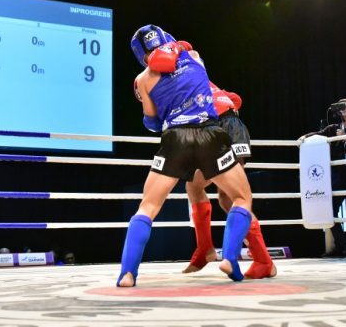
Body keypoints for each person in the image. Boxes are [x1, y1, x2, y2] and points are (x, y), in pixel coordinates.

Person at [118, 24, 255, 287]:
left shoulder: (143, 79)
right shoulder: (192, 56)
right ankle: (229, 258)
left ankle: (127, 273)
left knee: (148, 206)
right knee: (241, 197)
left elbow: (152, 123)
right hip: (209, 135)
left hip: (175, 140)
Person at [178, 57, 276, 279]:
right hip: (215, 128)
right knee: (195, 186)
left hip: (223, 127)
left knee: (232, 196)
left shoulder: (188, 75)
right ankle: (206, 249)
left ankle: (263, 260)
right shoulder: (195, 80)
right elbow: (235, 99)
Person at [304, 99, 346, 259]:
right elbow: (318, 134)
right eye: (339, 107)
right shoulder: (334, 128)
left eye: (344, 106)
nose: (342, 109)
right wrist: (304, 138)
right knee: (330, 211)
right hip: (339, 176)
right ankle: (342, 247)